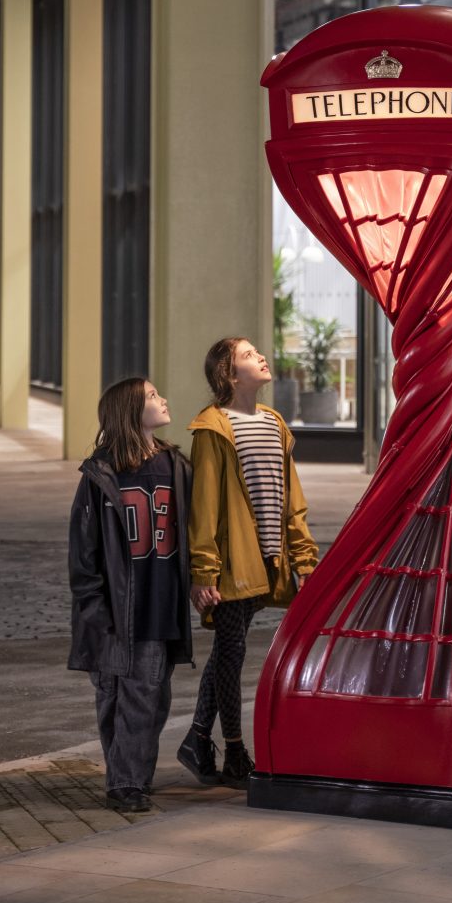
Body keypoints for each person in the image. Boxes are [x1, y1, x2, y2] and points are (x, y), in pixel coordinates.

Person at [177, 337, 318, 789]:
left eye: (258, 351)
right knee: (232, 652)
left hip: (268, 557)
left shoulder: (274, 423)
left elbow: (292, 499)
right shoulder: (213, 429)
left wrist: (304, 558)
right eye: (247, 354)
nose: (260, 356)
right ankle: (234, 749)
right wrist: (204, 571)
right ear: (229, 375)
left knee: (228, 650)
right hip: (234, 560)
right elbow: (204, 506)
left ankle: (199, 739)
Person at [68, 377, 193, 813]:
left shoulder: (175, 466)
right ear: (130, 411)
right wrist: (95, 608)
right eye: (154, 396)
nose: (163, 400)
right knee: (114, 697)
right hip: (114, 610)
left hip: (159, 603)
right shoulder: (101, 474)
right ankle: (127, 780)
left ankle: (127, 780)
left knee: (148, 696)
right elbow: (82, 552)